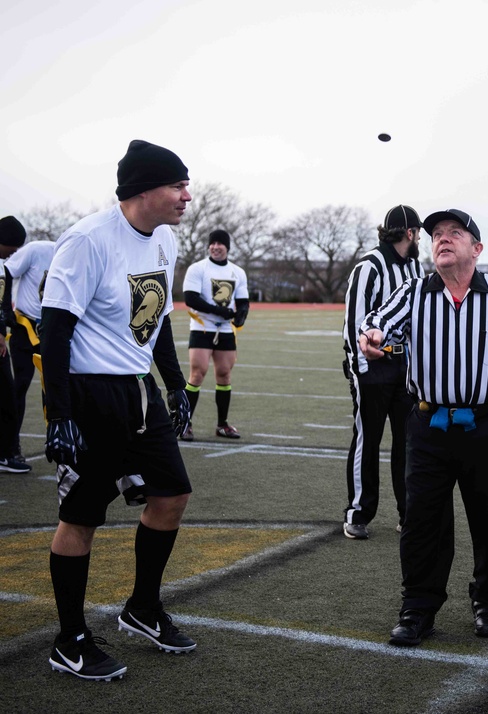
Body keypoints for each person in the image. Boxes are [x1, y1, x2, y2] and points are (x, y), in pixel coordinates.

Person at [357, 209, 488, 646]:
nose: (442, 240)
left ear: (477, 248)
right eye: (436, 235)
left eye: (454, 233)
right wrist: (372, 339)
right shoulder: (413, 293)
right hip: (428, 424)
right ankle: (418, 609)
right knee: (422, 521)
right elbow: (379, 326)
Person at [42, 139, 197, 682]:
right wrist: (56, 413)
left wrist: (175, 386)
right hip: (89, 393)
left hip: (137, 390)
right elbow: (55, 329)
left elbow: (154, 318)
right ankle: (70, 638)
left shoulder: (165, 241)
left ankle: (142, 606)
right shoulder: (87, 240)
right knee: (81, 515)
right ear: (144, 190)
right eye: (178, 185)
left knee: (172, 493)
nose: (187, 195)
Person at [341, 205, 424, 540]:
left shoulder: (416, 267)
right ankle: (358, 512)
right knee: (368, 439)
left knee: (408, 442)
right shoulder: (369, 266)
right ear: (410, 233)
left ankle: (409, 513)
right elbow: (353, 319)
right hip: (373, 366)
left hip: (404, 368)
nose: (420, 239)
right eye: (419, 232)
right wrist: (358, 366)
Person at [180, 229, 249, 440]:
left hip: (226, 330)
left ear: (227, 247)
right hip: (202, 328)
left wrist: (242, 316)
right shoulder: (198, 268)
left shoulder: (237, 272)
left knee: (224, 375)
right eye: (213, 243)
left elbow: (243, 301)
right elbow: (191, 298)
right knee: (197, 374)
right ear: (209, 246)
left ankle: (222, 425)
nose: (216, 246)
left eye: (221, 243)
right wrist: (220, 311)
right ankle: (185, 424)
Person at [4, 233, 57, 454]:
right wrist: (5, 309)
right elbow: (5, 272)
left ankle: (56, 439)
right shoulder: (37, 250)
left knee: (56, 385)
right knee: (20, 384)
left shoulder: (79, 255)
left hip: (53, 327)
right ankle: (10, 444)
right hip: (25, 326)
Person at [0, 216, 31, 473]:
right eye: (13, 245)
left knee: (8, 396)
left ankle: (6, 452)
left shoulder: (4, 267)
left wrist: (3, 327)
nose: (15, 251)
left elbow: (3, 303)